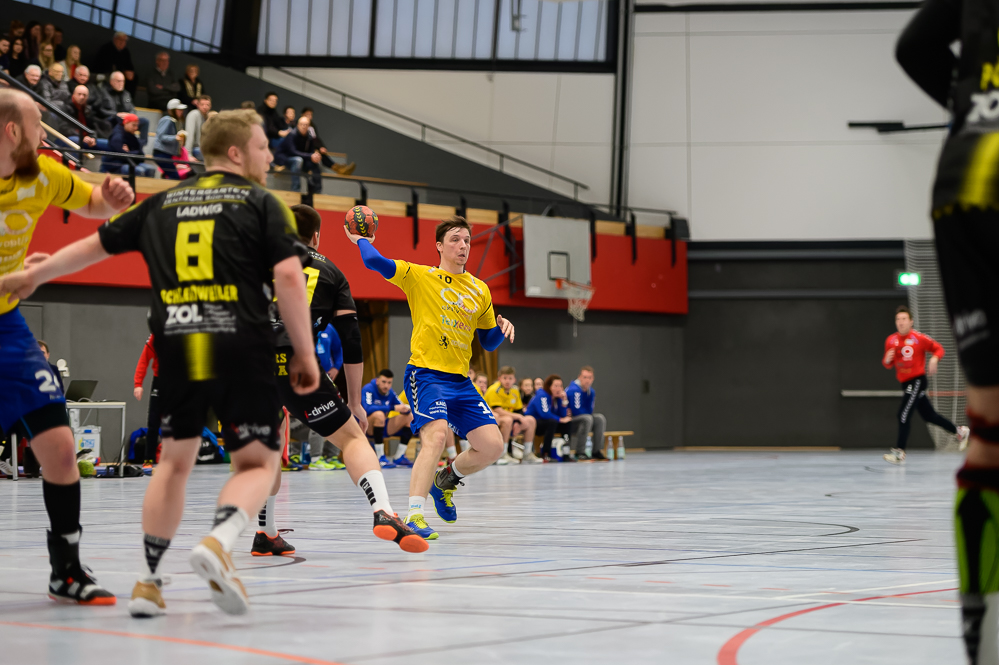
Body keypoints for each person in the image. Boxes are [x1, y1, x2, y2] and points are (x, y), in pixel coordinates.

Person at [0, 108, 319, 618]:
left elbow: (95, 245)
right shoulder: (264, 203)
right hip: (240, 342)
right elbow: (287, 278)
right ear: (236, 152)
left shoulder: (163, 201)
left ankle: (148, 582)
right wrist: (304, 351)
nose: (268, 158)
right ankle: (220, 541)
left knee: (172, 464)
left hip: (178, 344)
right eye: (263, 148)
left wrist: (36, 275)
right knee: (259, 462)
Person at [0, 87, 134, 604]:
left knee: (58, 447)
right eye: (38, 125)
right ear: (13, 131)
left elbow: (92, 203)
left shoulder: (43, 174)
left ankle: (67, 570)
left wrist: (112, 200)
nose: (45, 135)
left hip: (8, 326)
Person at [897, 6, 999, 662]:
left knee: (989, 434)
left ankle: (983, 643)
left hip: (963, 178)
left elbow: (914, 46)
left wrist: (971, 106)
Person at [261, 205, 426, 557]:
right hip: (295, 363)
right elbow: (351, 342)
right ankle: (383, 511)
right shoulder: (331, 272)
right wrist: (354, 403)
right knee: (352, 439)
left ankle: (266, 533)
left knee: (269, 448)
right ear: (316, 236)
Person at [349, 215, 515, 541]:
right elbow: (374, 262)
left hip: (461, 381)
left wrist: (500, 329)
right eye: (455, 239)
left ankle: (445, 481)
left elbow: (487, 342)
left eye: (467, 240)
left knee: (493, 446)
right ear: (439, 245)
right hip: (425, 374)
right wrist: (361, 239)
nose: (463, 245)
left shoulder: (480, 289)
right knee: (436, 437)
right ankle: (414, 515)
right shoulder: (419, 276)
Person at [881, 306, 969, 464]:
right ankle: (960, 431)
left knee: (903, 414)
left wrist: (934, 359)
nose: (901, 322)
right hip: (905, 383)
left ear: (911, 322)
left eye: (904, 319)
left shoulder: (919, 338)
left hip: (917, 380)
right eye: (898, 319)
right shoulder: (891, 340)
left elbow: (939, 349)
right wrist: (887, 359)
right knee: (930, 416)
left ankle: (899, 452)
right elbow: (888, 364)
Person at [485, 366, 540, 465]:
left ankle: (527, 454)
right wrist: (518, 417)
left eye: (510, 378)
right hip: (492, 419)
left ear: (514, 380)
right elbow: (498, 410)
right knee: (507, 420)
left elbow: (519, 410)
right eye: (505, 378)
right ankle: (502, 454)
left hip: (511, 418)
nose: (507, 381)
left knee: (530, 420)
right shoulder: (494, 389)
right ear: (499, 378)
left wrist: (518, 423)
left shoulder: (515, 390)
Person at [361, 369, 414, 468]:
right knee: (379, 415)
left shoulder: (390, 392)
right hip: (365, 427)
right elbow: (367, 408)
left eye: (389, 383)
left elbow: (400, 406)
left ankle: (399, 456)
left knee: (410, 417)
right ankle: (380, 456)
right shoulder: (368, 389)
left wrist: (406, 409)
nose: (386, 385)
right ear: (377, 381)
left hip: (382, 426)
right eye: (384, 382)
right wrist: (392, 408)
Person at [526, 374, 573, 462]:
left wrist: (564, 401)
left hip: (547, 423)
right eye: (556, 386)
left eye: (560, 386)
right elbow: (545, 414)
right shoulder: (542, 395)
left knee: (567, 423)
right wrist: (560, 419)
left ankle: (566, 453)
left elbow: (563, 415)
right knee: (552, 422)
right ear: (549, 387)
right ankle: (546, 453)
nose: (559, 389)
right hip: (533, 423)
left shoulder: (557, 398)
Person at [566, 366, 607, 461]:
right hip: (569, 421)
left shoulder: (591, 392)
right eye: (585, 377)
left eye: (589, 378)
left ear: (593, 379)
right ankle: (580, 452)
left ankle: (596, 451)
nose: (587, 380)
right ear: (579, 377)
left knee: (599, 419)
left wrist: (585, 413)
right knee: (587, 418)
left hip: (583, 419)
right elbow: (576, 411)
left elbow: (590, 410)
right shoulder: (573, 390)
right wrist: (585, 413)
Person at [274, 115, 323, 194]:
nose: (304, 126)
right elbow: (292, 151)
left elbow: (310, 152)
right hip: (284, 158)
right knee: (298, 160)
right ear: (298, 125)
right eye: (302, 124)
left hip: (301, 159)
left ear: (309, 126)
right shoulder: (291, 135)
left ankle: (317, 192)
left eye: (306, 125)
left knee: (315, 163)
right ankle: (295, 190)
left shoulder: (309, 137)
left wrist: (315, 156)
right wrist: (310, 156)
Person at [300, 107, 356, 175]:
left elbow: (315, 139)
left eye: (311, 115)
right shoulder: (298, 126)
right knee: (318, 155)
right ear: (302, 115)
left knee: (322, 154)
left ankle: (339, 168)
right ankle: (339, 169)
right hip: (304, 149)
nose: (309, 117)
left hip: (313, 148)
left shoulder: (312, 127)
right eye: (307, 115)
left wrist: (321, 147)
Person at [133, 334, 160, 465]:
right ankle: (149, 459)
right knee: (153, 421)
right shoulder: (156, 336)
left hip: (179, 382)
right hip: (160, 381)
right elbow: (144, 359)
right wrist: (138, 384)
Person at [103, 71, 148, 148]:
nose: (121, 83)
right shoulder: (104, 93)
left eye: (123, 81)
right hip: (113, 119)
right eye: (119, 81)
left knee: (145, 121)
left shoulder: (126, 94)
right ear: (111, 82)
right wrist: (116, 114)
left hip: (126, 119)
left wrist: (129, 115)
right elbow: (101, 110)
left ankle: (139, 145)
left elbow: (132, 109)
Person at [153, 99, 187, 180]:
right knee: (174, 176)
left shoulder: (175, 122)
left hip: (167, 154)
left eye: (181, 110)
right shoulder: (167, 120)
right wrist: (175, 137)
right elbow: (161, 136)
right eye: (178, 110)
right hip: (161, 153)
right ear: (172, 110)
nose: (181, 112)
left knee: (171, 175)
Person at [185, 95, 211, 160]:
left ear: (210, 106)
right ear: (198, 105)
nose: (205, 107)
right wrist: (188, 155)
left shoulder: (209, 116)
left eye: (207, 105)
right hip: (196, 149)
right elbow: (189, 135)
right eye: (202, 104)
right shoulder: (194, 115)